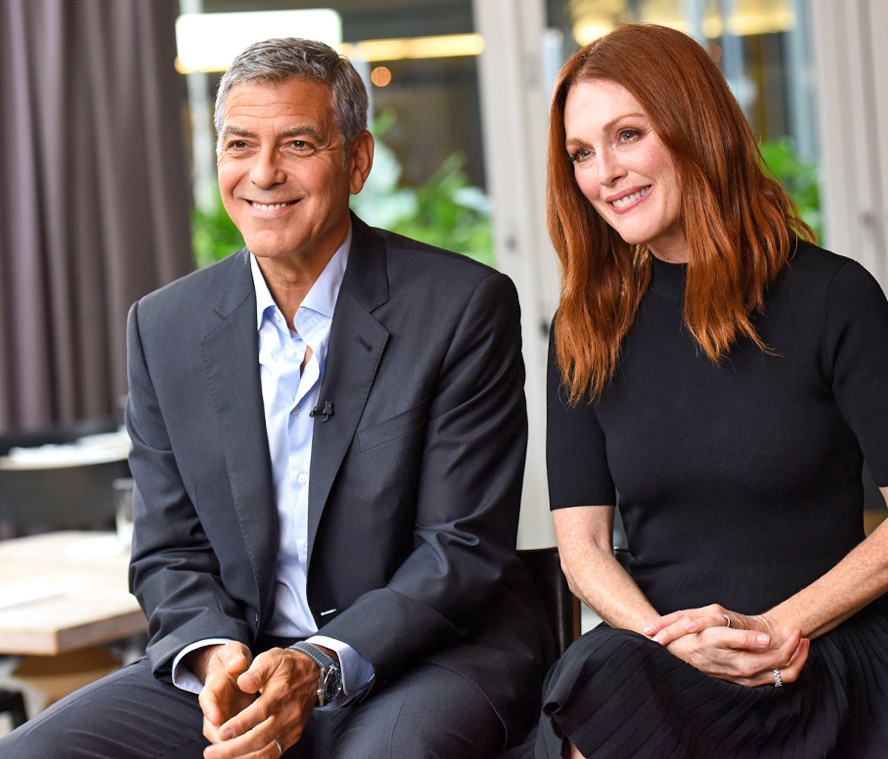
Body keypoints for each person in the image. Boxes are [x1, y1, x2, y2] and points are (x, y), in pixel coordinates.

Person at [1, 37, 550, 759]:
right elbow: (168, 549)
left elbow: (460, 550)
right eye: (239, 144)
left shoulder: (461, 307)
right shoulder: (164, 326)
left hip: (427, 658)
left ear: (357, 161)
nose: (264, 173)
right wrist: (213, 655)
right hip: (246, 663)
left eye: (297, 143)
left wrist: (320, 663)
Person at [534, 23, 888, 759]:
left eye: (628, 135)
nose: (604, 172)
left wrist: (770, 630)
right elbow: (583, 551)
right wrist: (672, 642)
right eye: (581, 153)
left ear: (694, 125)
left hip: (821, 652)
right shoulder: (585, 330)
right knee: (603, 688)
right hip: (658, 657)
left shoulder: (834, 297)